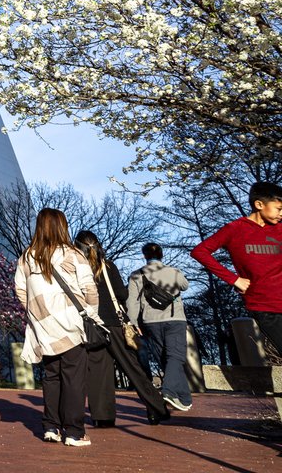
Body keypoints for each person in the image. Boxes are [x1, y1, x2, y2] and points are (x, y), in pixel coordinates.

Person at [15, 208, 98, 447]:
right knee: (73, 377)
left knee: (51, 376)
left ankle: (51, 426)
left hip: (43, 326)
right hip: (71, 323)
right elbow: (89, 289)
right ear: (63, 226)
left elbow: (20, 290)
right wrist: (91, 313)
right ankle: (73, 431)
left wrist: (37, 312)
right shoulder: (72, 254)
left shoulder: (27, 257)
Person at [74, 231, 171, 426]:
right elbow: (121, 293)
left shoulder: (76, 269)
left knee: (98, 371)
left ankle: (103, 417)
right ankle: (156, 408)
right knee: (133, 369)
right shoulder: (108, 266)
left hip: (93, 325)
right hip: (115, 324)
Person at [191, 181, 282, 355]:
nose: (281, 214)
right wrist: (233, 279)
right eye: (278, 209)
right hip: (264, 306)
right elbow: (200, 252)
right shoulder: (235, 229)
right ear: (259, 204)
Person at [127, 242, 192, 413]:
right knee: (176, 356)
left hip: (150, 322)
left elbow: (132, 302)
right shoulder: (173, 271)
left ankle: (184, 399)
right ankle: (169, 392)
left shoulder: (136, 275)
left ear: (145, 256)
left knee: (165, 358)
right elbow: (185, 285)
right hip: (175, 318)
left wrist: (133, 323)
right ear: (162, 255)